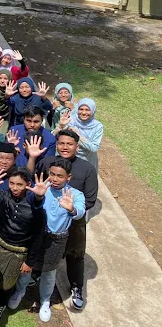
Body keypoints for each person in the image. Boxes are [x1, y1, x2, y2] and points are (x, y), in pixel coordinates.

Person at [27, 129, 98, 312]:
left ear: (77, 146)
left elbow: (90, 199)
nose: (65, 147)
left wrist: (71, 210)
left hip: (73, 221)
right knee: (41, 246)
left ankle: (76, 287)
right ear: (56, 145)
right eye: (61, 143)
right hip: (47, 218)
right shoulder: (47, 162)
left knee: (75, 255)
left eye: (70, 144)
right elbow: (34, 181)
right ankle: (36, 273)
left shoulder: (87, 168)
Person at [8, 158, 85, 322]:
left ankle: (45, 301)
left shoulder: (75, 195)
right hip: (36, 235)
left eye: (60, 176)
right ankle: (20, 291)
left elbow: (80, 212)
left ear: (69, 177)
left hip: (57, 239)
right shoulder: (42, 188)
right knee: (27, 267)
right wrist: (37, 196)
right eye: (52, 174)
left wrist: (71, 208)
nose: (55, 179)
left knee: (49, 272)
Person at [0, 167, 46, 321]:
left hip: (18, 251)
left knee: (7, 282)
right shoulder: (4, 195)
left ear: (28, 184)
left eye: (19, 184)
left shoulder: (37, 209)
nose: (14, 188)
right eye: (12, 183)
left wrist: (29, 262)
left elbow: (38, 237)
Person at [68, 98, 103, 169]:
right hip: (69, 160)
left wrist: (78, 136)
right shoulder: (70, 121)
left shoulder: (97, 126)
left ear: (93, 111)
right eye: (81, 109)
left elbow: (94, 148)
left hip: (88, 161)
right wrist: (61, 126)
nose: (83, 113)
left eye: (87, 110)